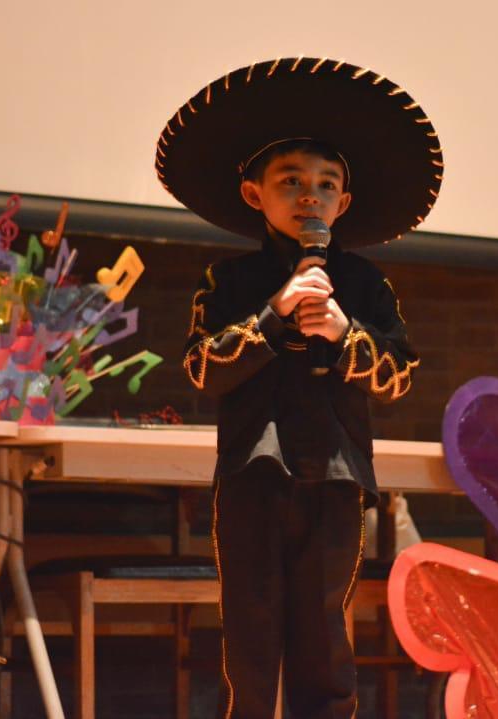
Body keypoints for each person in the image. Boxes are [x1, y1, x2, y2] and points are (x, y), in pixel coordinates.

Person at [154, 56, 443, 719]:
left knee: (323, 637)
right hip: (251, 477)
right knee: (250, 637)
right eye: (290, 181)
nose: (308, 194)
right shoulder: (225, 281)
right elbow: (203, 368)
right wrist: (272, 312)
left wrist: (344, 331)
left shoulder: (365, 285)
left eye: (325, 183)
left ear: (343, 202)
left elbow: (399, 375)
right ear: (255, 194)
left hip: (335, 478)